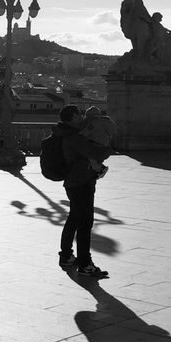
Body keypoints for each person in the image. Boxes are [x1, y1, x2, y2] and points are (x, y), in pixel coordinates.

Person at [53, 105, 112, 277]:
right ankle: (85, 264)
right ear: (73, 117)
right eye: (79, 114)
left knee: (73, 219)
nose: (82, 117)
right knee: (85, 224)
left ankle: (66, 255)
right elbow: (97, 152)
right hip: (81, 182)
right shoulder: (75, 137)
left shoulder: (67, 133)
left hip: (73, 182)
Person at [79, 106, 117, 178]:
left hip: (96, 145)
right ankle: (97, 169)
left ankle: (100, 169)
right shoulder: (105, 121)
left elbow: (84, 133)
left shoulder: (94, 122)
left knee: (88, 155)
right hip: (105, 145)